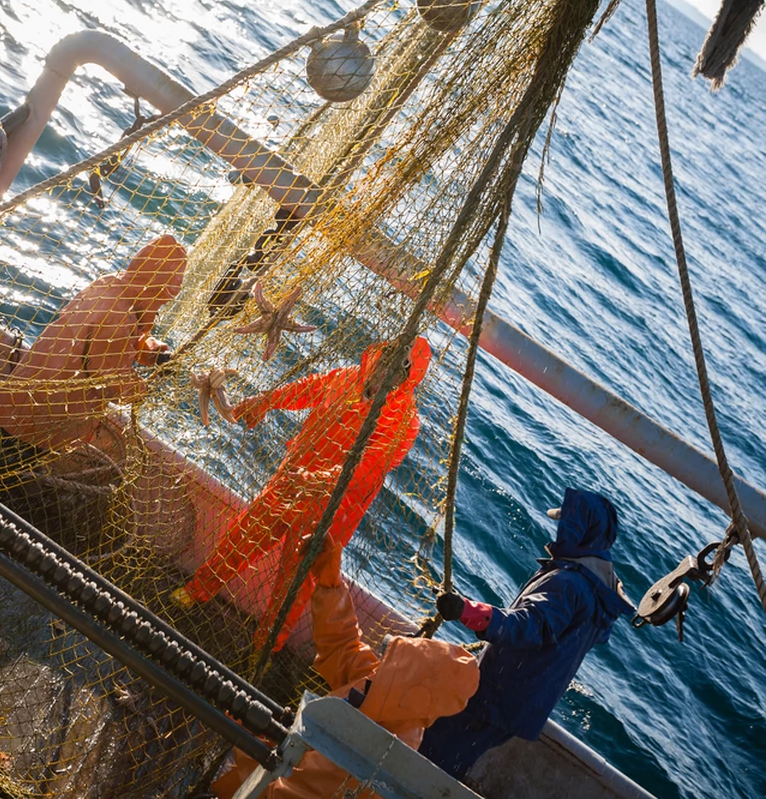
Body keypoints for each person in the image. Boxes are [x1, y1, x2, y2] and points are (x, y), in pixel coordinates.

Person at [172, 336, 431, 651]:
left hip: (327, 516)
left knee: (292, 589)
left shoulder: (405, 422)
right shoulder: (348, 376)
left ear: (408, 379)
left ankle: (264, 649)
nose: (385, 370)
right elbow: (306, 389)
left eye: (398, 368)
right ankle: (194, 591)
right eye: (386, 358)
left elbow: (369, 468)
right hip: (289, 482)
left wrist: (322, 480)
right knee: (240, 538)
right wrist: (266, 401)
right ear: (376, 354)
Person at [209, 539, 479, 798]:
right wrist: (329, 582)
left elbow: (282, 794)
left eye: (396, 663)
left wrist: (246, 738)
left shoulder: (371, 755)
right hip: (269, 765)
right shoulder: (383, 689)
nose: (383, 663)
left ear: (408, 682)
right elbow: (343, 646)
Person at [418, 487, 636, 781]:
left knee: (430, 755)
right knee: (453, 760)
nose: (560, 531)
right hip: (521, 706)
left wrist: (467, 611)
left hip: (496, 696)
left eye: (566, 524)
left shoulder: (570, 584)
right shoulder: (600, 591)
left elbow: (530, 625)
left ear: (579, 530)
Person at [0, 234, 187, 456]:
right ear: (155, 284)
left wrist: (153, 351)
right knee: (8, 459)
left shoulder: (111, 285)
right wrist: (142, 390)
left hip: (27, 387)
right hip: (48, 412)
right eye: (171, 288)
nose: (172, 296)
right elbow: (106, 374)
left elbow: (115, 340)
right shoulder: (120, 316)